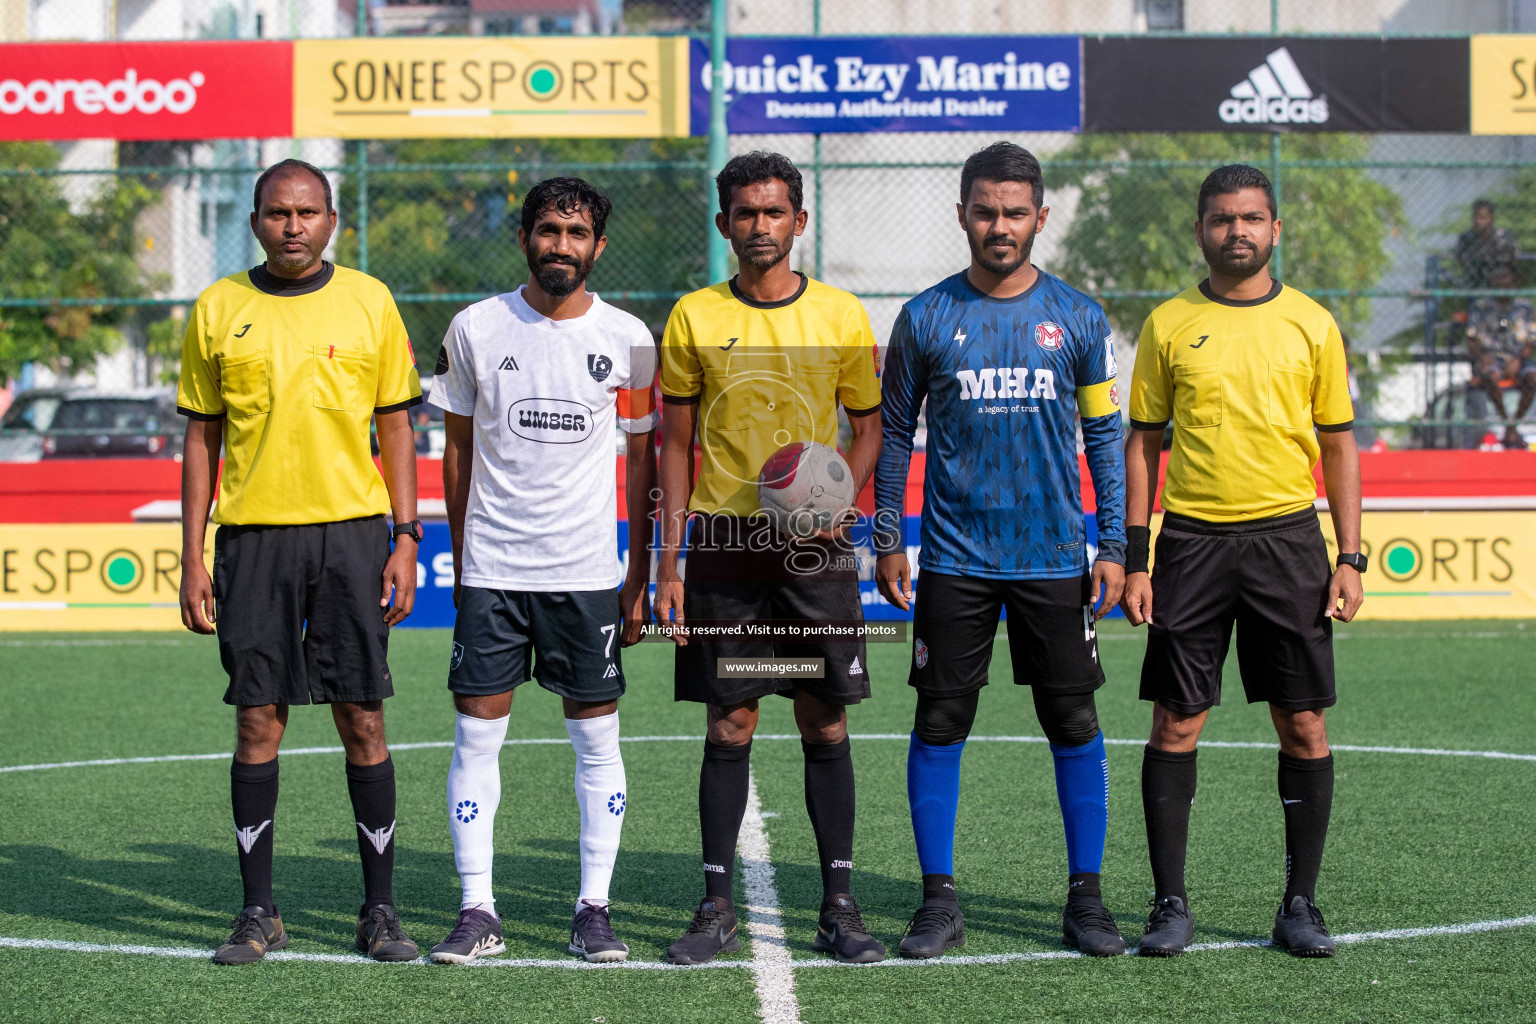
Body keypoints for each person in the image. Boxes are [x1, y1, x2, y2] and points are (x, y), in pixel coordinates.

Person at [873, 142, 1128, 960]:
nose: (1000, 225)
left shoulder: (1081, 320)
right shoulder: (925, 317)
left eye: (1016, 212)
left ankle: (1085, 899)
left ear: (1040, 218)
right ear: (961, 215)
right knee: (942, 719)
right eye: (985, 210)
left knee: (1072, 718)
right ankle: (938, 900)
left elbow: (1104, 437)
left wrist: (1114, 542)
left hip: (1056, 557)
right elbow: (894, 437)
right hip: (954, 558)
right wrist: (888, 535)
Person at [176, 158, 423, 965]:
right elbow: (201, 436)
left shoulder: (370, 300)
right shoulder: (218, 307)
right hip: (252, 538)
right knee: (258, 720)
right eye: (278, 212)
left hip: (352, 536)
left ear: (331, 221)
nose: (293, 225)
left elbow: (395, 425)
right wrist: (190, 555)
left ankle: (379, 912)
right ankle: (258, 912)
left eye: (308, 212)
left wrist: (407, 538)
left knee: (364, 717)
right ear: (255, 221)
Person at [1120, 164, 1364, 959]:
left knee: (1302, 722)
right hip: (1190, 544)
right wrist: (1137, 553)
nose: (1238, 232)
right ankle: (1169, 906)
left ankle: (1300, 905)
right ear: (1200, 230)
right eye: (1222, 219)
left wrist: (1349, 555)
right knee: (1177, 720)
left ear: (1275, 229)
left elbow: (1338, 444)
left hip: (1289, 543)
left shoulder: (1313, 324)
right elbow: (1143, 443)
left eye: (1252, 218)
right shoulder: (1166, 325)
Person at [654, 151, 886, 965]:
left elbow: (870, 428)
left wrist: (840, 502)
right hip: (725, 542)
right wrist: (668, 564)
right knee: (732, 718)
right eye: (745, 213)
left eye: (774, 211)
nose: (760, 226)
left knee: (824, 716)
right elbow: (674, 448)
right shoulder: (691, 317)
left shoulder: (842, 316)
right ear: (724, 225)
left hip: (814, 551)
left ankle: (840, 905)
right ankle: (716, 904)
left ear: (799, 221)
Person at [425, 177, 658, 964]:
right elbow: (457, 450)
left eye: (578, 232)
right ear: (524, 236)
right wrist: (463, 558)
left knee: (596, 741)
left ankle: (593, 908)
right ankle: (477, 909)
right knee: (474, 738)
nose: (563, 244)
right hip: (494, 567)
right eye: (549, 230)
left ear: (598, 244)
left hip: (587, 570)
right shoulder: (474, 329)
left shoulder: (630, 336)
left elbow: (641, 458)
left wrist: (638, 570)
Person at [1465, 262, 1536, 450]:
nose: (1501, 282)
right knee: (1489, 376)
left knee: (1532, 378)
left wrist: (1519, 360)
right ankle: (1506, 420)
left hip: (1517, 357)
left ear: (1513, 281)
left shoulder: (1524, 306)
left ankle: (1515, 423)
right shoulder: (1481, 306)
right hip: (1492, 357)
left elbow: (1531, 339)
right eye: (1497, 278)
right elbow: (1472, 338)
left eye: (1505, 277)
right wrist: (1482, 356)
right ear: (1491, 283)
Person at [1454, 199, 1519, 290]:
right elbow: (1461, 260)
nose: (1477, 221)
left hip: (1500, 285)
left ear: (1491, 218)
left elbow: (1512, 260)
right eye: (1475, 217)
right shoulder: (1466, 238)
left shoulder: (1503, 237)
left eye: (1482, 218)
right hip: (1474, 285)